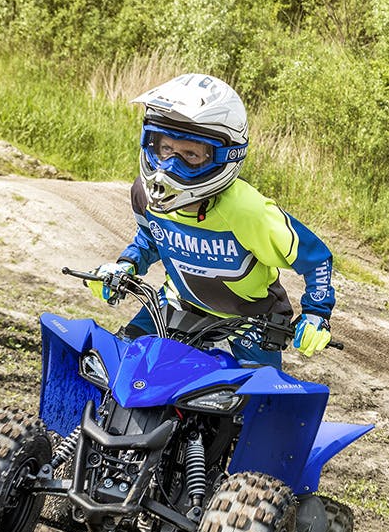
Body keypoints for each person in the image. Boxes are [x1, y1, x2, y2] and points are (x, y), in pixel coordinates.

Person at [87, 73, 334, 368]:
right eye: (166, 149)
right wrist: (125, 265)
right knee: (119, 363)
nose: (170, 165)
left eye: (191, 154)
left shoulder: (249, 211)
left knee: (259, 400)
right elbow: (151, 238)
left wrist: (316, 313)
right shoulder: (145, 193)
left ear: (224, 155)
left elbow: (316, 258)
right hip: (179, 302)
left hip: (251, 320)